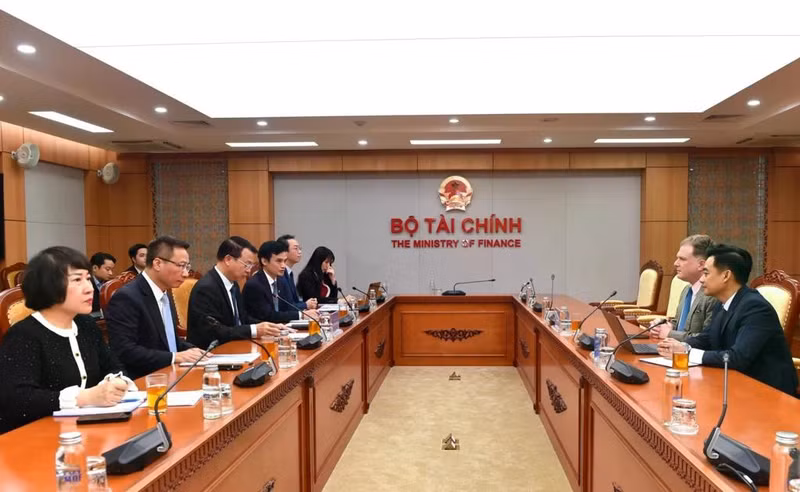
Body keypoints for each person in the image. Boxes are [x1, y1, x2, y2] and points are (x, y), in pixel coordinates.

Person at [0, 247, 135, 434]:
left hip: (88, 431)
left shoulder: (86, 325)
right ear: (49, 286)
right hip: (37, 438)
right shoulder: (23, 336)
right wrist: (84, 397)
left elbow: (113, 365)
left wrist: (115, 382)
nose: (89, 288)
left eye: (88, 279)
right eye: (77, 280)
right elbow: (18, 399)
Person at [657, 244, 798, 396]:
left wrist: (686, 352)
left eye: (706, 273)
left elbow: (738, 358)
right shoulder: (723, 302)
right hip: (736, 382)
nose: (702, 279)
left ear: (726, 276)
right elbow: (707, 339)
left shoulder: (755, 308)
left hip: (768, 391)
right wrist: (676, 346)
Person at [106, 236, 207, 380]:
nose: (185, 274)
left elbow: (168, 341)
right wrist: (174, 357)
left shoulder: (165, 292)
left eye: (187, 267)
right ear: (158, 263)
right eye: (181, 266)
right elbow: (125, 350)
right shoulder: (127, 297)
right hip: (146, 380)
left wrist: (193, 351)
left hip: (171, 373)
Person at [187, 236, 285, 349]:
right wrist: (254, 330)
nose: (249, 270)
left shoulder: (234, 284)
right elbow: (215, 331)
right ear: (228, 259)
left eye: (251, 265)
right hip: (211, 353)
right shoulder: (206, 288)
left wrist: (268, 327)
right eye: (247, 264)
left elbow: (242, 318)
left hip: (235, 346)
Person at [650, 235, 719, 341]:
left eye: (682, 259)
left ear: (701, 264)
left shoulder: (713, 295)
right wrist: (662, 326)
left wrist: (670, 333)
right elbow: (679, 324)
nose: (675, 263)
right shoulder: (686, 290)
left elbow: (706, 339)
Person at [243, 240, 319, 324]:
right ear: (264, 261)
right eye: (279, 261)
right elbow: (268, 316)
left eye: (284, 261)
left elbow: (288, 308)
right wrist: (301, 315)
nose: (283, 266)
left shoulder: (281, 281)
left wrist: (306, 313)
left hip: (282, 328)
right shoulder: (255, 285)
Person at [276, 234, 318, 310]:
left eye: (300, 248)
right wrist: (305, 305)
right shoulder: (279, 274)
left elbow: (294, 301)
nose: (300, 252)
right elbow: (286, 306)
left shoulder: (289, 273)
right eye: (296, 248)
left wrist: (306, 304)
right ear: (284, 251)